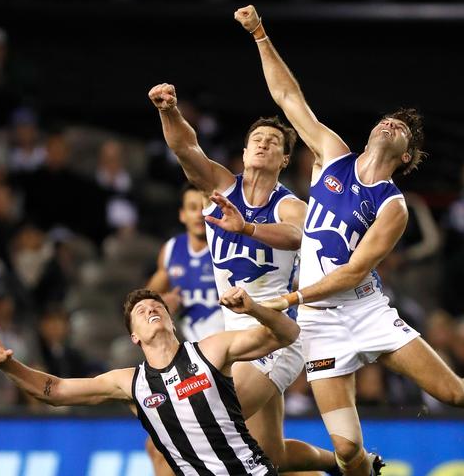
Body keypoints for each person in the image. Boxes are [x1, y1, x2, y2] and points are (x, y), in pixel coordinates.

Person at [233, 3, 464, 474]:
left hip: (364, 310)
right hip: (319, 324)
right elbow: (289, 98)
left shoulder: (394, 206)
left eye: (404, 129)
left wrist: (293, 295)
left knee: (451, 391)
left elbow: (352, 271)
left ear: (406, 153)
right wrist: (259, 34)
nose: (393, 124)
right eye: (388, 119)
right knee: (348, 450)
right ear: (372, 131)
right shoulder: (332, 156)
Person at [148, 86, 348, 474]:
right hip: (232, 336)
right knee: (271, 454)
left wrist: (249, 228)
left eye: (273, 142)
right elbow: (186, 149)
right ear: (243, 152)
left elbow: (299, 235)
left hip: (276, 336)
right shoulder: (220, 188)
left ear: (284, 158)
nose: (263, 144)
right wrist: (169, 111)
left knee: (196, 425)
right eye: (256, 139)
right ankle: (345, 462)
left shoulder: (290, 204)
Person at [0, 287, 297, 476]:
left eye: (157, 307)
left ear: (171, 321)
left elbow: (286, 333)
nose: (151, 309)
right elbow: (54, 391)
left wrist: (254, 308)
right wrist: (8, 365)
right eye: (141, 311)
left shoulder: (213, 349)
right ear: (134, 337)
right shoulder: (130, 383)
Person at [147, 182, 224, 343]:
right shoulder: (171, 248)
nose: (199, 214)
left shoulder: (228, 246)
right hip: (186, 342)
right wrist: (162, 305)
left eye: (204, 207)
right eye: (192, 208)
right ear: (182, 214)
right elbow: (146, 298)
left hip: (225, 339)